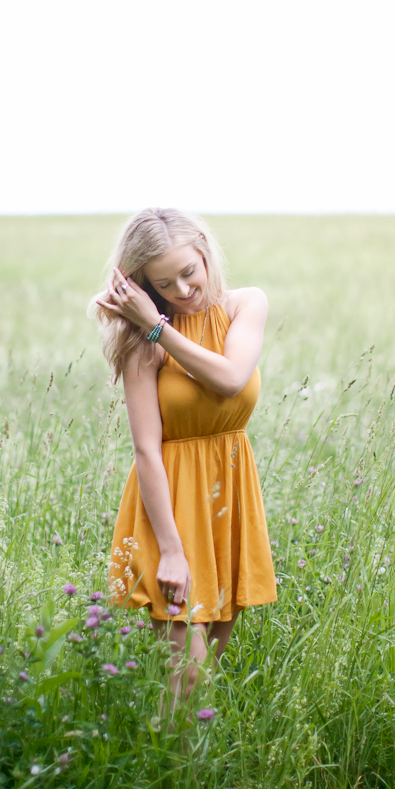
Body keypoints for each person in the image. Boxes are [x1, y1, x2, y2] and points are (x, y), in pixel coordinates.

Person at [88, 207, 277, 714]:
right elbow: (146, 449)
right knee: (187, 677)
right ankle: (169, 785)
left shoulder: (244, 306)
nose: (182, 291)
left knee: (203, 676)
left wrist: (159, 328)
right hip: (168, 507)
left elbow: (231, 377)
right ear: (143, 284)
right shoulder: (140, 345)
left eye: (188, 272)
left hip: (227, 497)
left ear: (203, 248)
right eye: (163, 284)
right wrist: (171, 550)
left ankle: (185, 779)